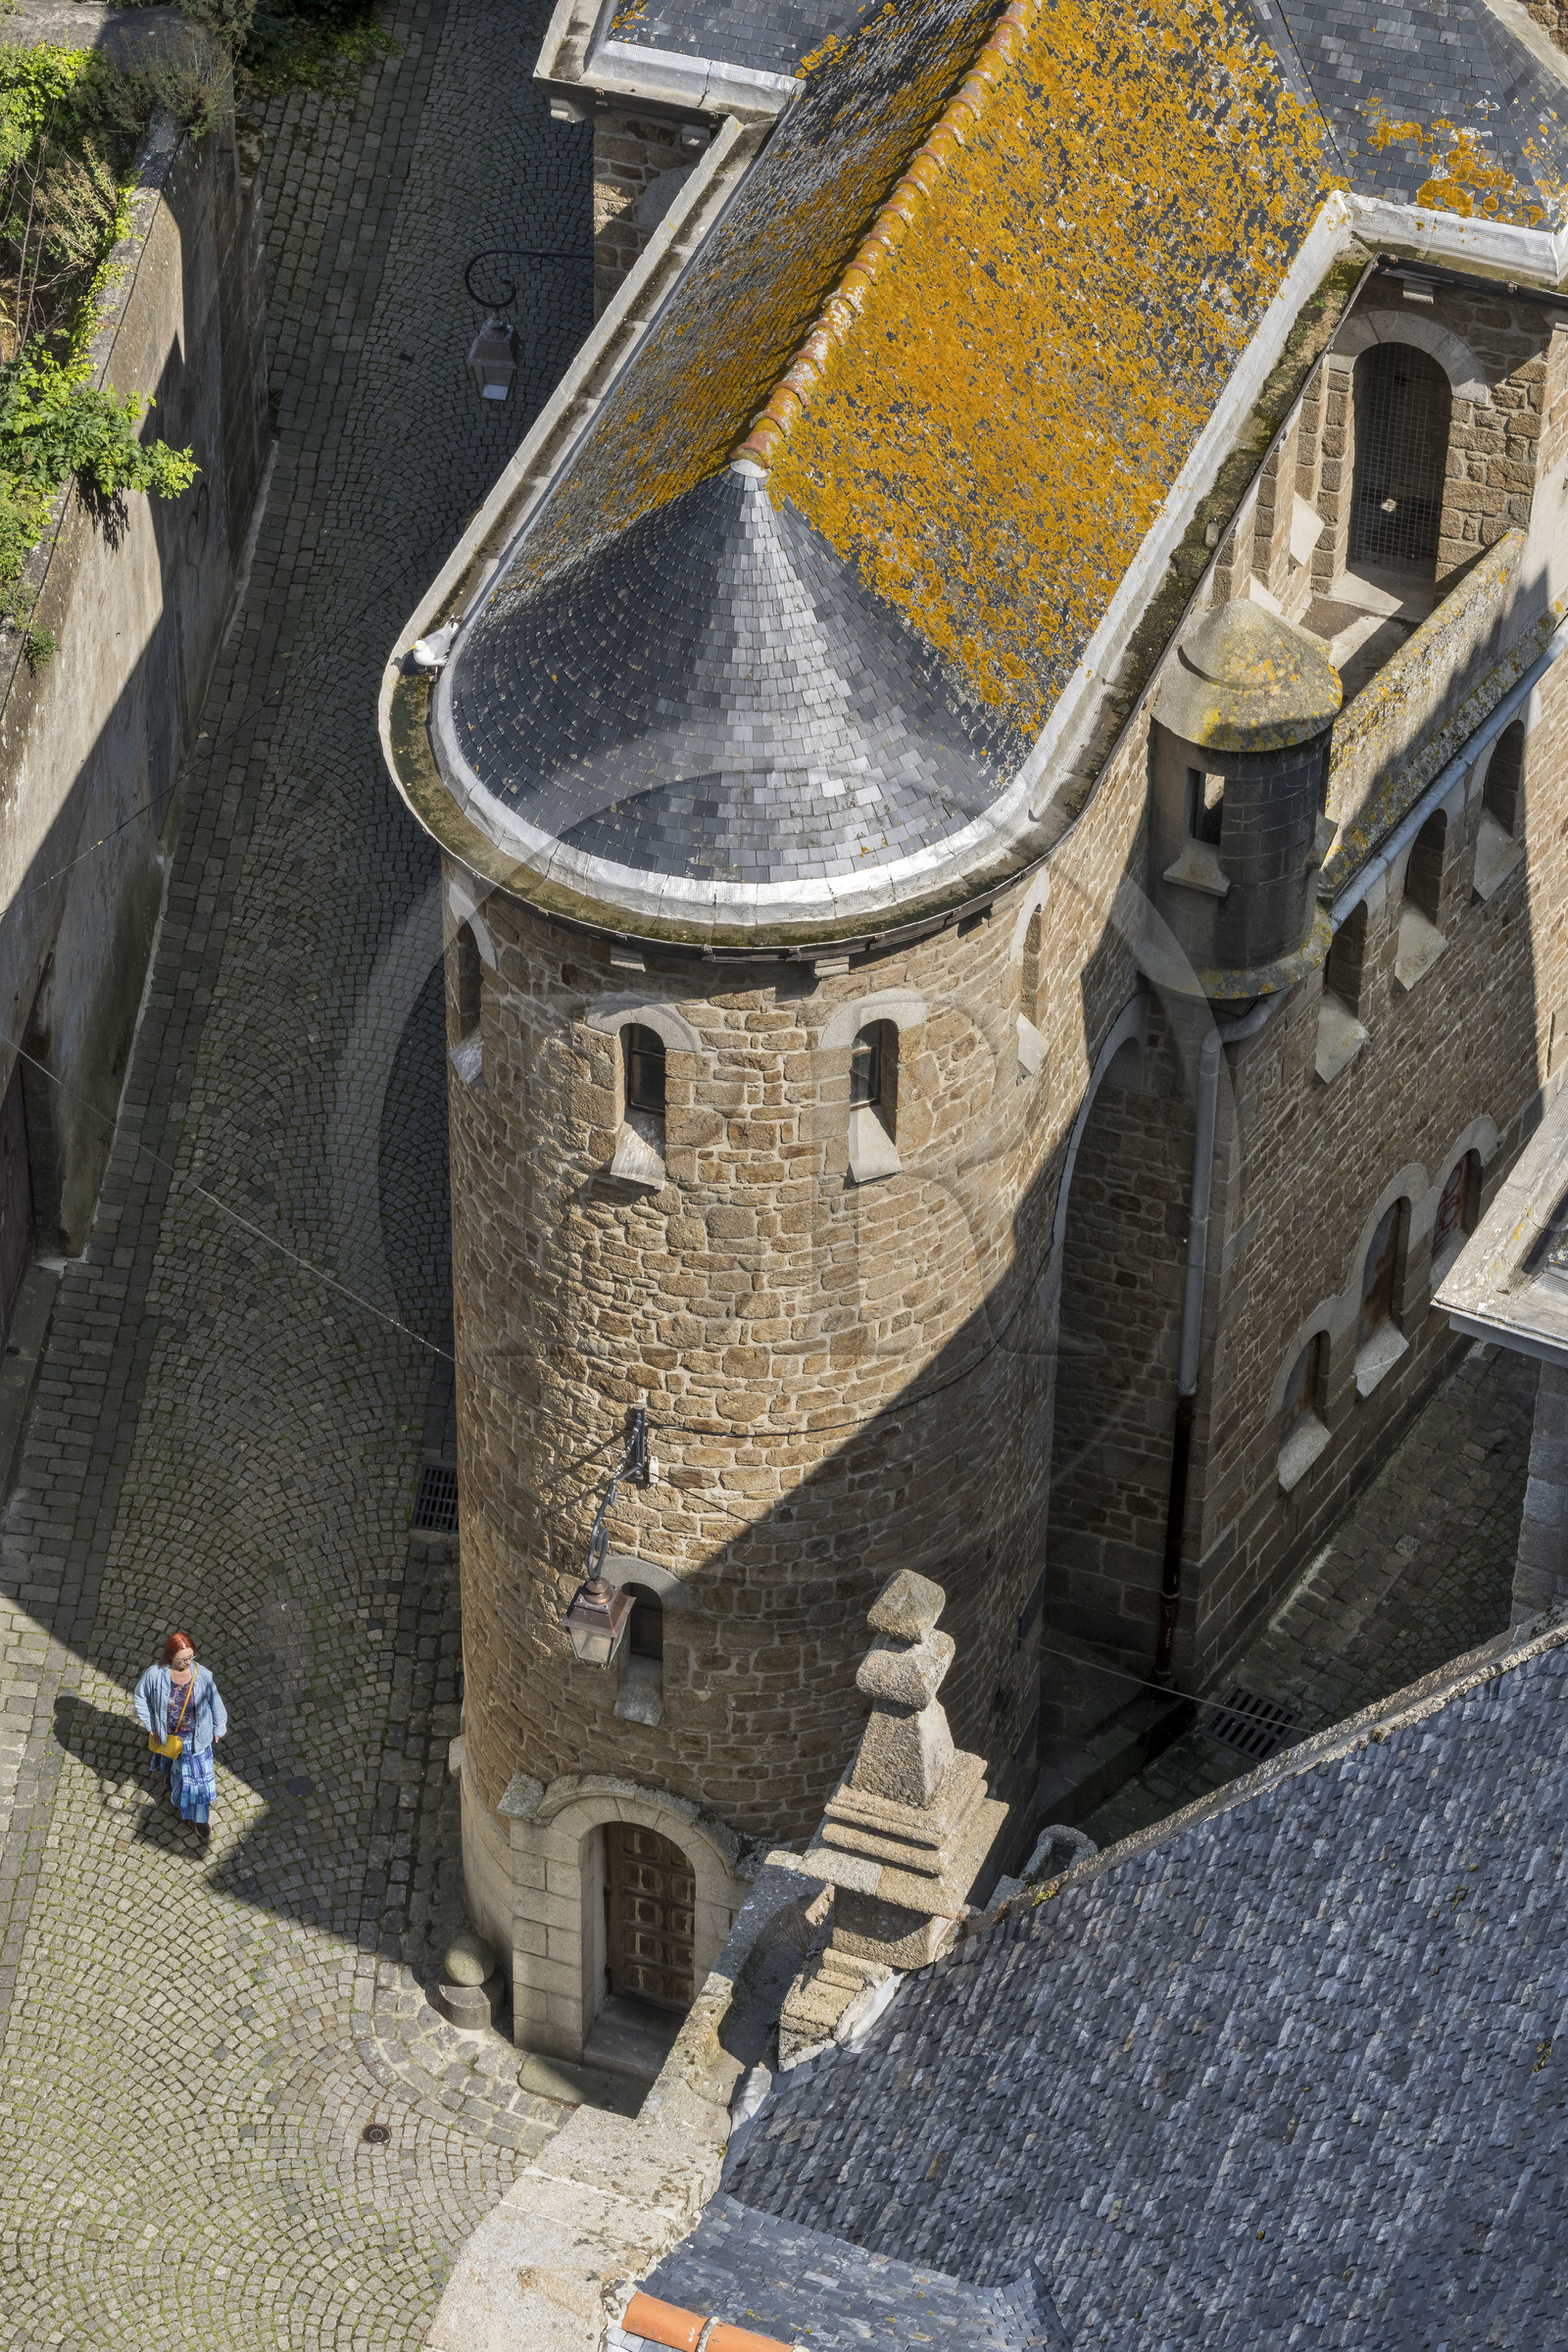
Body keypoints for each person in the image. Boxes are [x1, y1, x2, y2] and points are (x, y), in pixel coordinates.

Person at [133, 1631, 227, 1844]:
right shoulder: (155, 1674)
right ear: (170, 1657)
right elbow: (140, 1697)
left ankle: (200, 1819)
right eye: (182, 1659)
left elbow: (215, 1701)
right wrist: (151, 1725)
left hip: (196, 1742)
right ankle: (170, 1778)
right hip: (168, 1737)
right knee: (172, 1764)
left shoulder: (202, 1675)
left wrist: (219, 1726)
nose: (188, 1662)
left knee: (199, 1788)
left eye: (191, 1657)